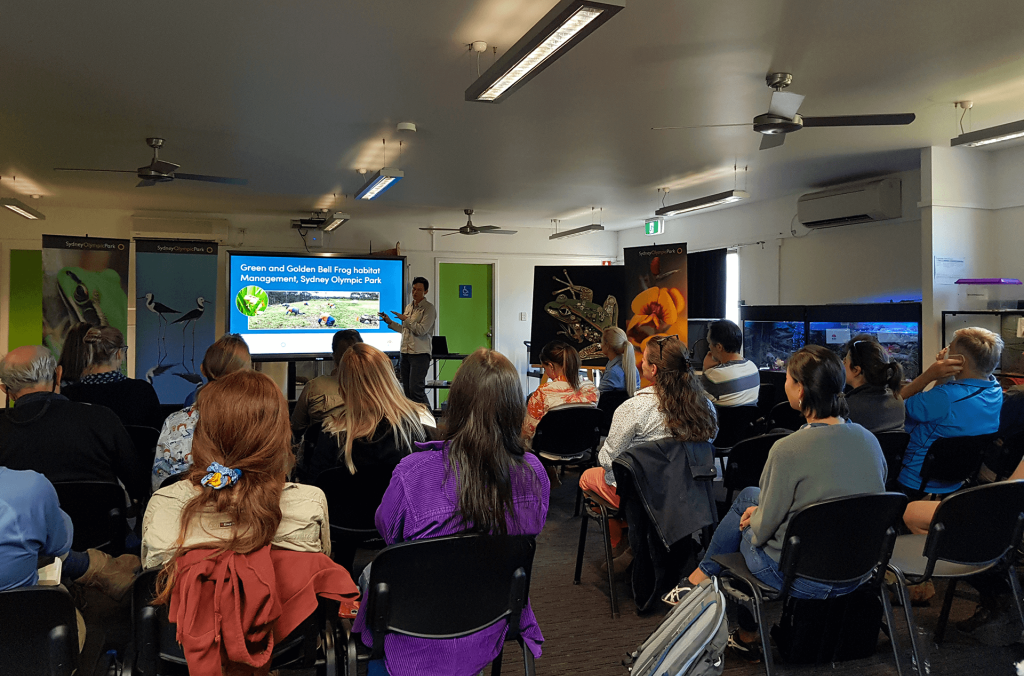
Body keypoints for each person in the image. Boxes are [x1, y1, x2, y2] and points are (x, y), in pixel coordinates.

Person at [662, 345, 886, 662]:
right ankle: (706, 583)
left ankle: (731, 617)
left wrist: (755, 520)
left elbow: (764, 531)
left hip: (801, 575)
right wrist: (760, 512)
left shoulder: (788, 449)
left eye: (789, 379)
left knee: (742, 530)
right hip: (859, 569)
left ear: (800, 389)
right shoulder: (869, 439)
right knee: (751, 496)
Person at [352, 348, 549, 676]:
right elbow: (531, 532)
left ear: (456, 403)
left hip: (414, 625)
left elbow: (388, 532)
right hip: (491, 616)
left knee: (373, 572)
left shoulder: (413, 472)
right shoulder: (533, 473)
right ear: (515, 406)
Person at [142, 370, 331, 572]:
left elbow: (152, 586)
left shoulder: (163, 506)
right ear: (278, 435)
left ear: (202, 434)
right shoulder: (311, 505)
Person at [580, 335, 717, 571]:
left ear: (653, 370)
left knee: (587, 477)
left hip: (642, 494)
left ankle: (623, 544)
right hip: (686, 491)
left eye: (643, 358)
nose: (639, 362)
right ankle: (635, 544)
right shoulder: (705, 407)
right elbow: (707, 444)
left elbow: (609, 460)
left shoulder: (633, 408)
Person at [0, 346, 148, 504]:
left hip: (21, 528)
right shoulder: (101, 418)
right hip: (99, 526)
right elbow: (137, 485)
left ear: (4, 390)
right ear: (58, 375)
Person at [897, 327, 1003, 497]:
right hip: (957, 478)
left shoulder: (944, 397)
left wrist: (929, 375)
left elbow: (895, 406)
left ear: (959, 361)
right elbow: (938, 406)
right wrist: (944, 377)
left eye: (950, 348)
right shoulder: (996, 390)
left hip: (916, 478)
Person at [305, 343, 435, 479]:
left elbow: (315, 492)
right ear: (391, 380)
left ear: (343, 390)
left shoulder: (328, 434)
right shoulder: (421, 421)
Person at [151, 334, 252, 491]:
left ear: (202, 370)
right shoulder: (261, 421)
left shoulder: (174, 422)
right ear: (248, 374)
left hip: (182, 510)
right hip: (244, 511)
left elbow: (159, 484)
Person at [61, 324, 163, 429]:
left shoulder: (68, 395)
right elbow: (157, 436)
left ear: (86, 354)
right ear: (119, 353)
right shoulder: (142, 391)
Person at [291, 329, 363, 438]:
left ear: (334, 355)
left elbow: (296, 428)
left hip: (322, 451)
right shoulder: (377, 388)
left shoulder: (315, 387)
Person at [522, 341, 598, 441]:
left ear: (551, 366)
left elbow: (528, 433)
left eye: (545, 369)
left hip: (547, 450)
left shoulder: (542, 393)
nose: (547, 374)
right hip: (582, 449)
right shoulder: (591, 389)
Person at [380, 276, 435, 407]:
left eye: (419, 290)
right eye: (414, 289)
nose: (415, 292)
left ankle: (429, 421)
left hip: (420, 354)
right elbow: (405, 329)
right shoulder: (409, 307)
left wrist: (406, 319)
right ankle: (414, 421)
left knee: (416, 390)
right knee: (407, 391)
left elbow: (421, 330)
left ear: (426, 291)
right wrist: (390, 322)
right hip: (405, 353)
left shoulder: (429, 309)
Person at [842, 335, 906, 433]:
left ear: (856, 370)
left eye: (845, 361)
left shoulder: (847, 407)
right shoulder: (897, 400)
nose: (842, 364)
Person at [700, 319, 760, 407]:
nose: (709, 347)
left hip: (721, 421)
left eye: (710, 343)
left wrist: (706, 370)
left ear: (719, 347)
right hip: (747, 420)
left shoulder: (713, 376)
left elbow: (698, 404)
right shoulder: (753, 367)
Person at [597, 327, 639, 398]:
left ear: (607, 346)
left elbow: (598, 395)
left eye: (602, 342)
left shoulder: (612, 372)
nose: (600, 345)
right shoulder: (633, 368)